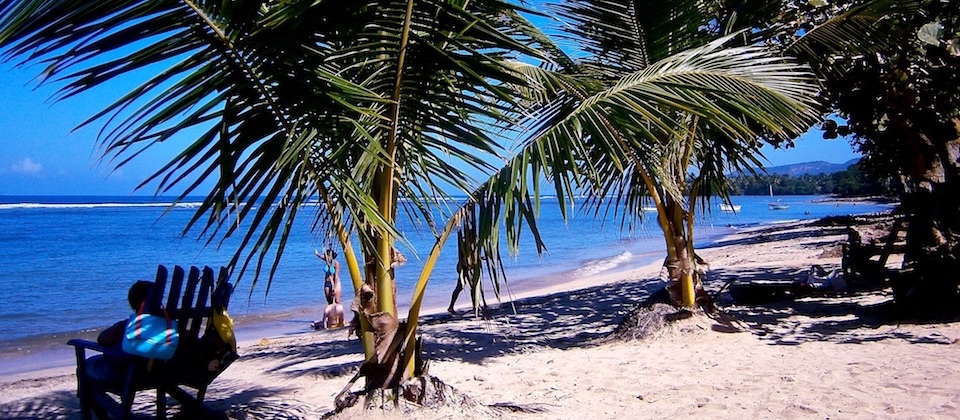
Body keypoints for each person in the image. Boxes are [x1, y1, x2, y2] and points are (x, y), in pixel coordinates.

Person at [85, 280, 154, 383]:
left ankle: (88, 398)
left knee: (87, 365)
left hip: (125, 373)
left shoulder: (125, 326)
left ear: (132, 303)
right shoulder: (169, 327)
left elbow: (102, 338)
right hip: (157, 373)